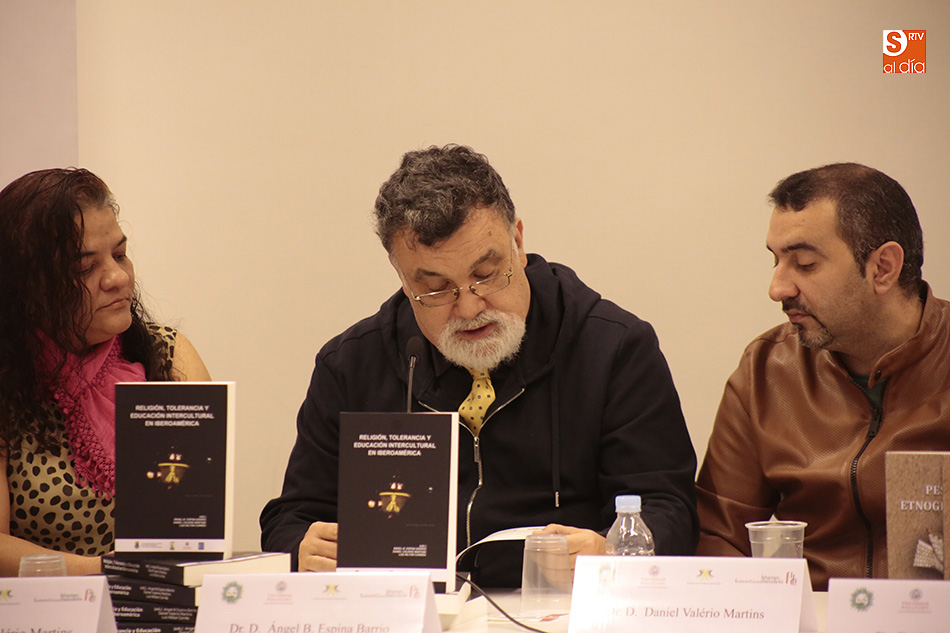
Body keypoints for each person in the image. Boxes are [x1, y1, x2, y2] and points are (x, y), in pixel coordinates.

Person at [260, 144, 698, 586]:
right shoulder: (351, 364)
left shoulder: (613, 349)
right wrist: (302, 548)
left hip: (561, 605)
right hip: (412, 607)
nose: (469, 308)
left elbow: (669, 511)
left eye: (486, 275)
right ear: (401, 275)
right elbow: (292, 518)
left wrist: (610, 552)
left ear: (518, 243)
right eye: (437, 288)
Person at [695, 163, 950, 590]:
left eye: (805, 264)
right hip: (812, 611)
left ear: (883, 268)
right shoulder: (766, 370)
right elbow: (719, 536)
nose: (777, 288)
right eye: (776, 261)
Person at [0, 168, 211, 577]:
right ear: (27, 287)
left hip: (162, 597)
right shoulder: (8, 382)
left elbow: (200, 512)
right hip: (45, 606)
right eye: (84, 268)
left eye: (120, 254)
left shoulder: (168, 355)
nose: (117, 278)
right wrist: (106, 573)